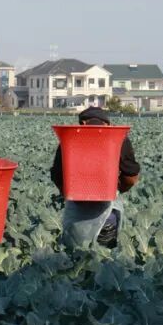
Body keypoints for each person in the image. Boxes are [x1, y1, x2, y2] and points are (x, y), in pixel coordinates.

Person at [51, 106, 140, 249]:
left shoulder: (69, 139)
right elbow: (131, 177)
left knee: (75, 262)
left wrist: (68, 193)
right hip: (107, 216)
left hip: (77, 217)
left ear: (83, 124)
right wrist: (118, 189)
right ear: (107, 124)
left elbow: (57, 176)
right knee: (104, 261)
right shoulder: (118, 139)